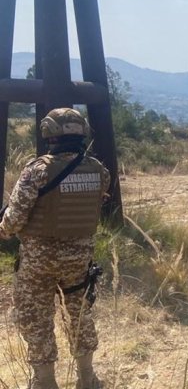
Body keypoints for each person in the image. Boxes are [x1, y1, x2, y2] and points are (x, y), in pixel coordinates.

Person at [0, 108, 110, 389]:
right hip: (79, 261)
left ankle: (45, 382)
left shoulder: (37, 171)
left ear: (49, 133)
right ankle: (87, 379)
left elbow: (13, 220)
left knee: (36, 318)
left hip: (39, 262)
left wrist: (4, 230)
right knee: (80, 315)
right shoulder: (99, 171)